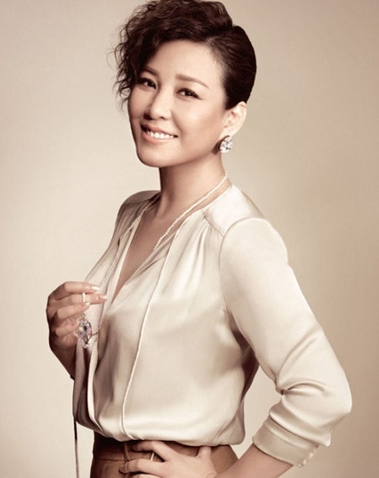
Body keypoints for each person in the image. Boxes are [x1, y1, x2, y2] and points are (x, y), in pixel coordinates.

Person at [46, 1, 352, 477]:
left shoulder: (237, 235)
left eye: (187, 92)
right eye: (148, 82)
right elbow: (144, 387)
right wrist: (69, 344)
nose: (156, 107)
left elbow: (323, 392)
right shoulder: (134, 213)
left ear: (231, 118)